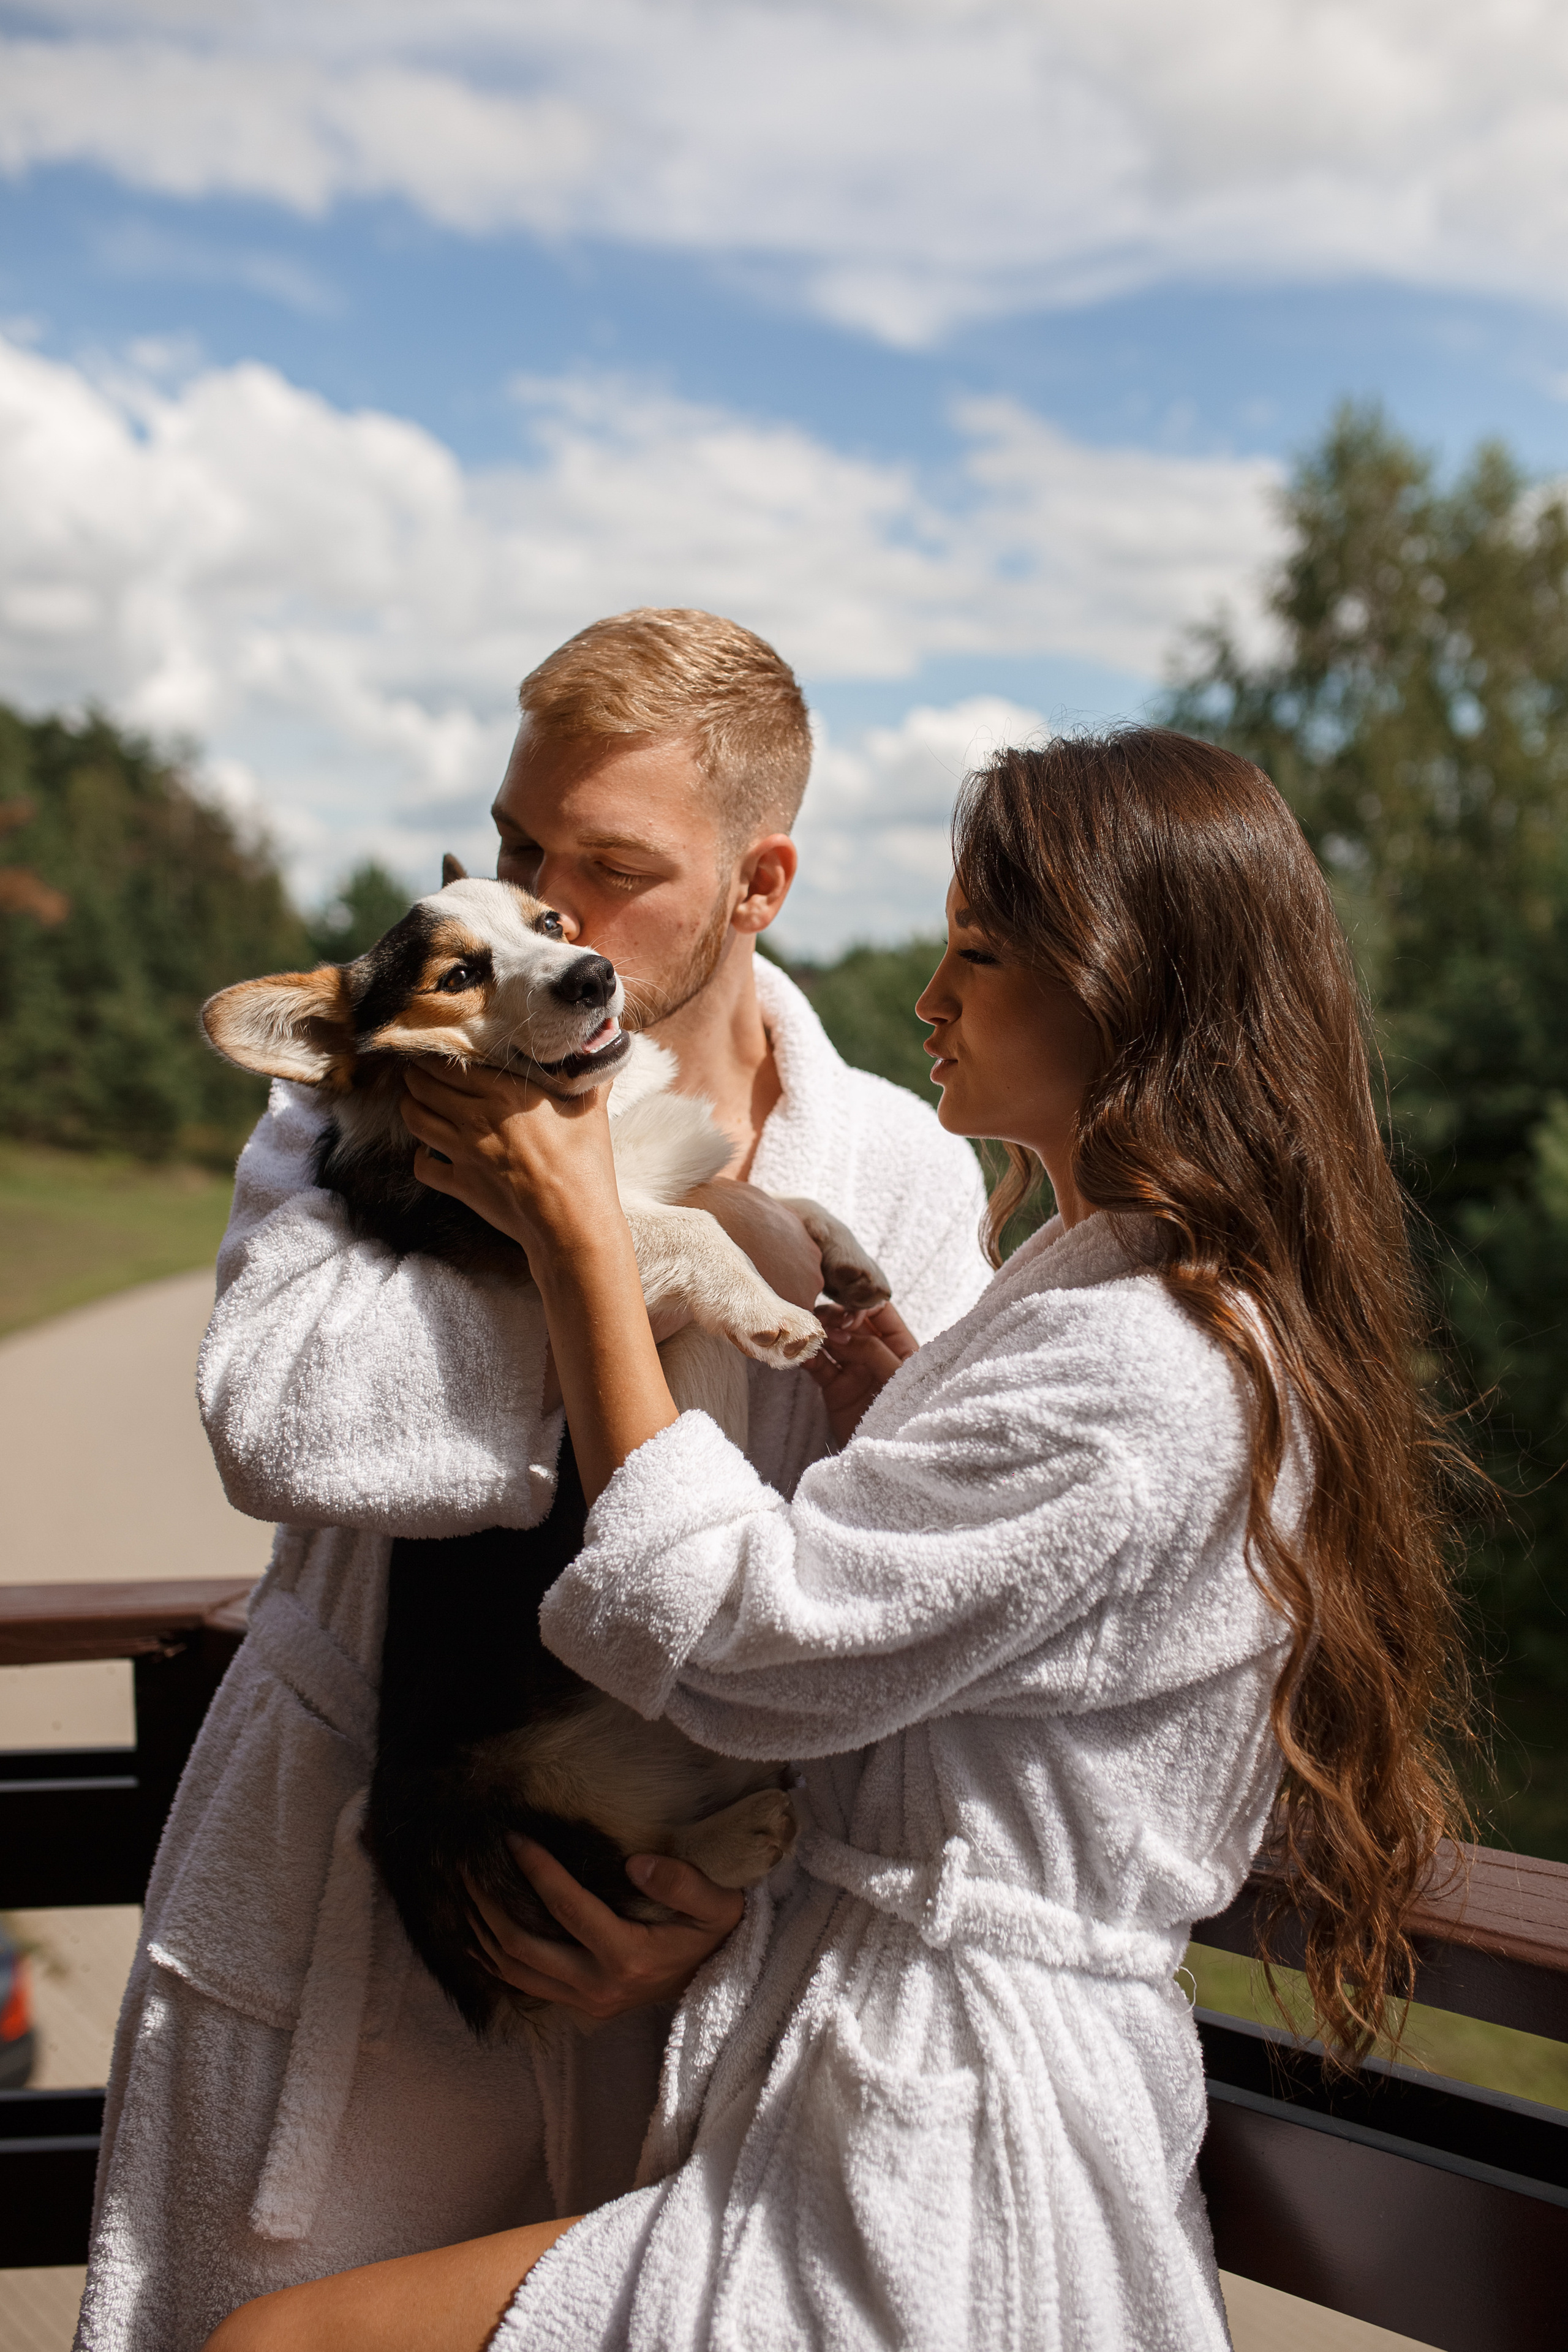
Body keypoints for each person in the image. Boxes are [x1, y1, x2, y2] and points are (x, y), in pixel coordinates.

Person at [209, 726, 1473, 2352]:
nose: (929, 997)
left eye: (977, 953)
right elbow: (1003, 1597)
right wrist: (904, 1412)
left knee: (275, 2344)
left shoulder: (1139, 1360)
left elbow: (733, 1639)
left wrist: (583, 1235)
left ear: (1120, 991)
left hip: (944, 2146)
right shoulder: (1129, 1303)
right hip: (907, 2092)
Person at [76, 610, 992, 2352]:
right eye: (518, 848)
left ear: (760, 881)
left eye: (613, 868)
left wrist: (727, 1906)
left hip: (710, 1934)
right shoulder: (383, 1082)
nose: (549, 910)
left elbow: (913, 1604)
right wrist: (593, 1233)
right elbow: (277, 1418)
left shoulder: (893, 1167)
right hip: (354, 1914)